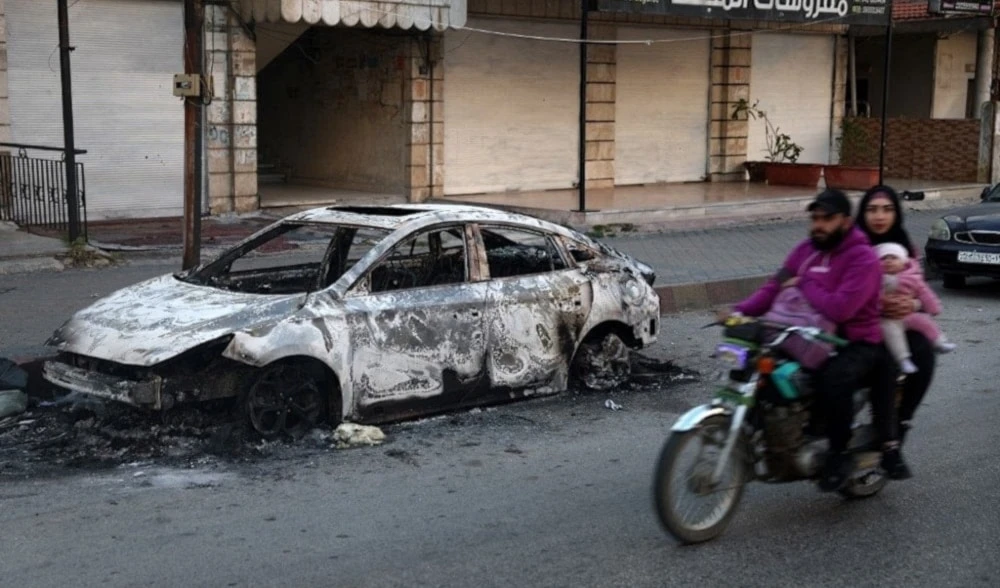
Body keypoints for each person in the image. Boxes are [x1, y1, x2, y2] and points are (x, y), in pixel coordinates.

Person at [721, 189, 909, 491]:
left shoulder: (863, 260)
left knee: (833, 378)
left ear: (846, 222)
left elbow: (841, 308)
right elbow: (774, 287)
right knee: (763, 369)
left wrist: (807, 282)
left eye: (827, 218)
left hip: (855, 340)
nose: (819, 225)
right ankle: (776, 435)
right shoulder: (803, 251)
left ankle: (837, 454)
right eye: (815, 218)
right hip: (805, 335)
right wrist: (739, 311)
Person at [856, 185, 936, 445]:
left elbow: (920, 290)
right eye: (872, 210)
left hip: (899, 322)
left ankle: (901, 423)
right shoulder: (853, 244)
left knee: (924, 353)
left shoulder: (904, 246)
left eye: (887, 210)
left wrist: (911, 305)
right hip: (861, 325)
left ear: (896, 214)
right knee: (885, 365)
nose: (880, 217)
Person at [875, 242, 956, 374]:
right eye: (883, 258)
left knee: (924, 321)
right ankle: (903, 359)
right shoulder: (876, 279)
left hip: (908, 314)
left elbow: (925, 292)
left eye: (893, 258)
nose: (888, 261)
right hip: (887, 318)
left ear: (903, 262)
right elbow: (870, 295)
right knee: (892, 334)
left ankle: (939, 342)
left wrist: (932, 307)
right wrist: (881, 304)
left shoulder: (912, 278)